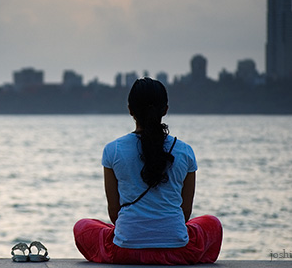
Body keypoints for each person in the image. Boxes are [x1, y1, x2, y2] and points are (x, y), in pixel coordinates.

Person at [73, 77, 222, 265]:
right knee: (212, 224)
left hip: (125, 251)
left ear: (130, 110)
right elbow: (185, 213)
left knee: (83, 227)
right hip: (179, 251)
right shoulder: (185, 151)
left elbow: (114, 212)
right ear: (165, 110)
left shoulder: (113, 150)